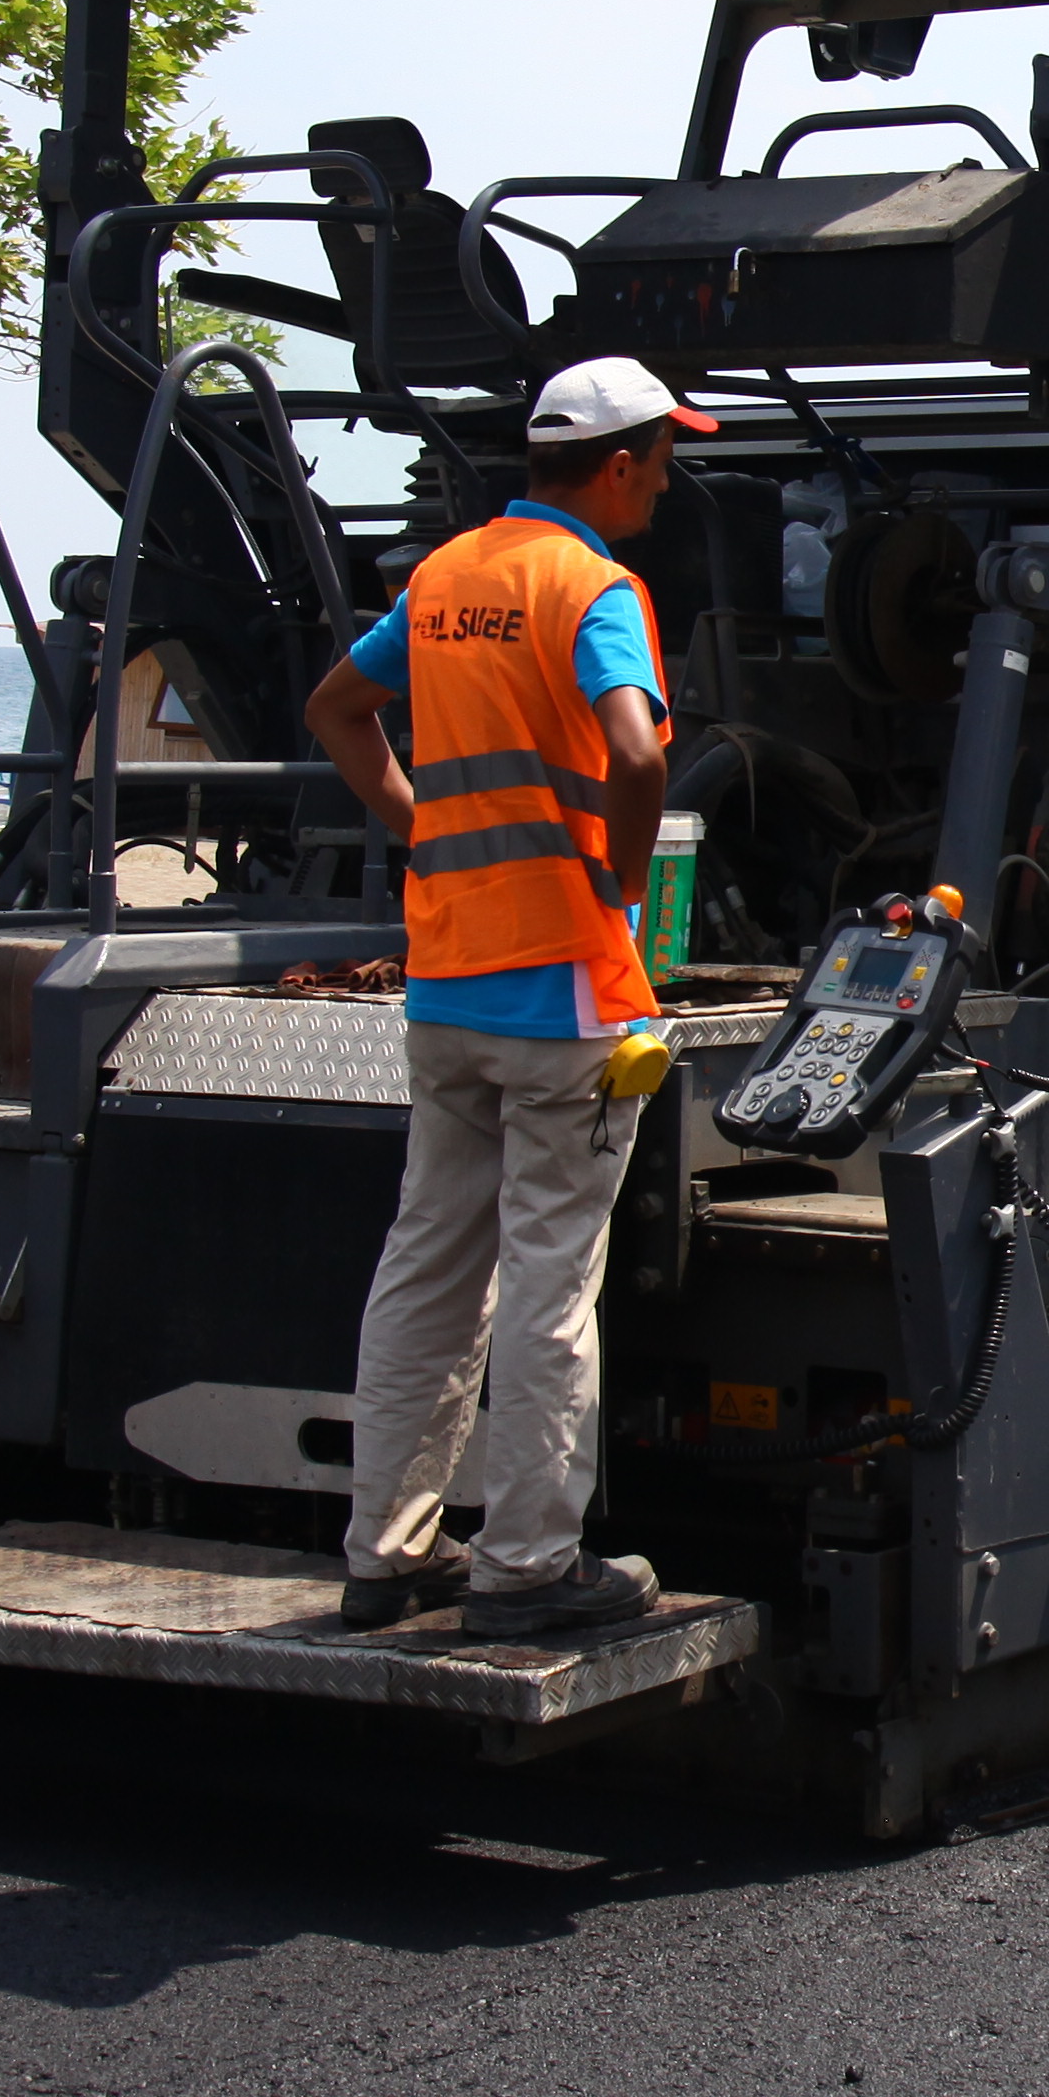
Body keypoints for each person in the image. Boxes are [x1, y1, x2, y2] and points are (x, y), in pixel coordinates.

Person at [297, 356, 718, 1643]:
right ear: (616, 465)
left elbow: (336, 708)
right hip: (568, 999)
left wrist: (418, 823)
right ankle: (530, 1565)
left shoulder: (445, 578)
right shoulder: (595, 588)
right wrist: (624, 878)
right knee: (549, 1281)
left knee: (427, 1267)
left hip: (450, 981)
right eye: (662, 456)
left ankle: (387, 1548)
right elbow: (640, 750)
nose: (667, 478)